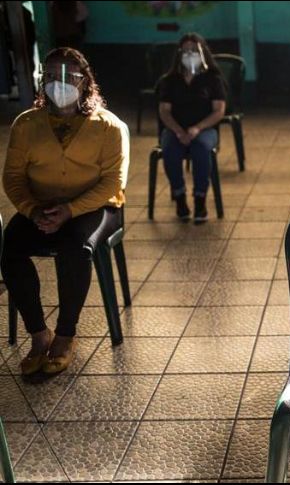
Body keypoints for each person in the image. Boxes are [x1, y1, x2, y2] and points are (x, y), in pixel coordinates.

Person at [2, 47, 129, 375]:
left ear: (85, 82)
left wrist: (69, 210)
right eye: (50, 75)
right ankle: (38, 334)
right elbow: (13, 178)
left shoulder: (109, 127)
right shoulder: (26, 124)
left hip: (94, 206)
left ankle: (65, 335)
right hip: (40, 207)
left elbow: (112, 182)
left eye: (68, 76)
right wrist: (32, 211)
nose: (58, 82)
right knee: (9, 247)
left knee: (76, 247)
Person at [157, 32, 226, 224]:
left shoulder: (212, 78)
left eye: (194, 51)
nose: (190, 54)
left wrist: (197, 128)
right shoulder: (170, 80)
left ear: (203, 52)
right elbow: (164, 111)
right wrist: (178, 130)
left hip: (205, 130)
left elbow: (219, 110)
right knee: (170, 149)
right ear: (178, 54)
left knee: (201, 149)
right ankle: (179, 196)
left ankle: (200, 199)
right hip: (175, 129)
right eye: (185, 51)